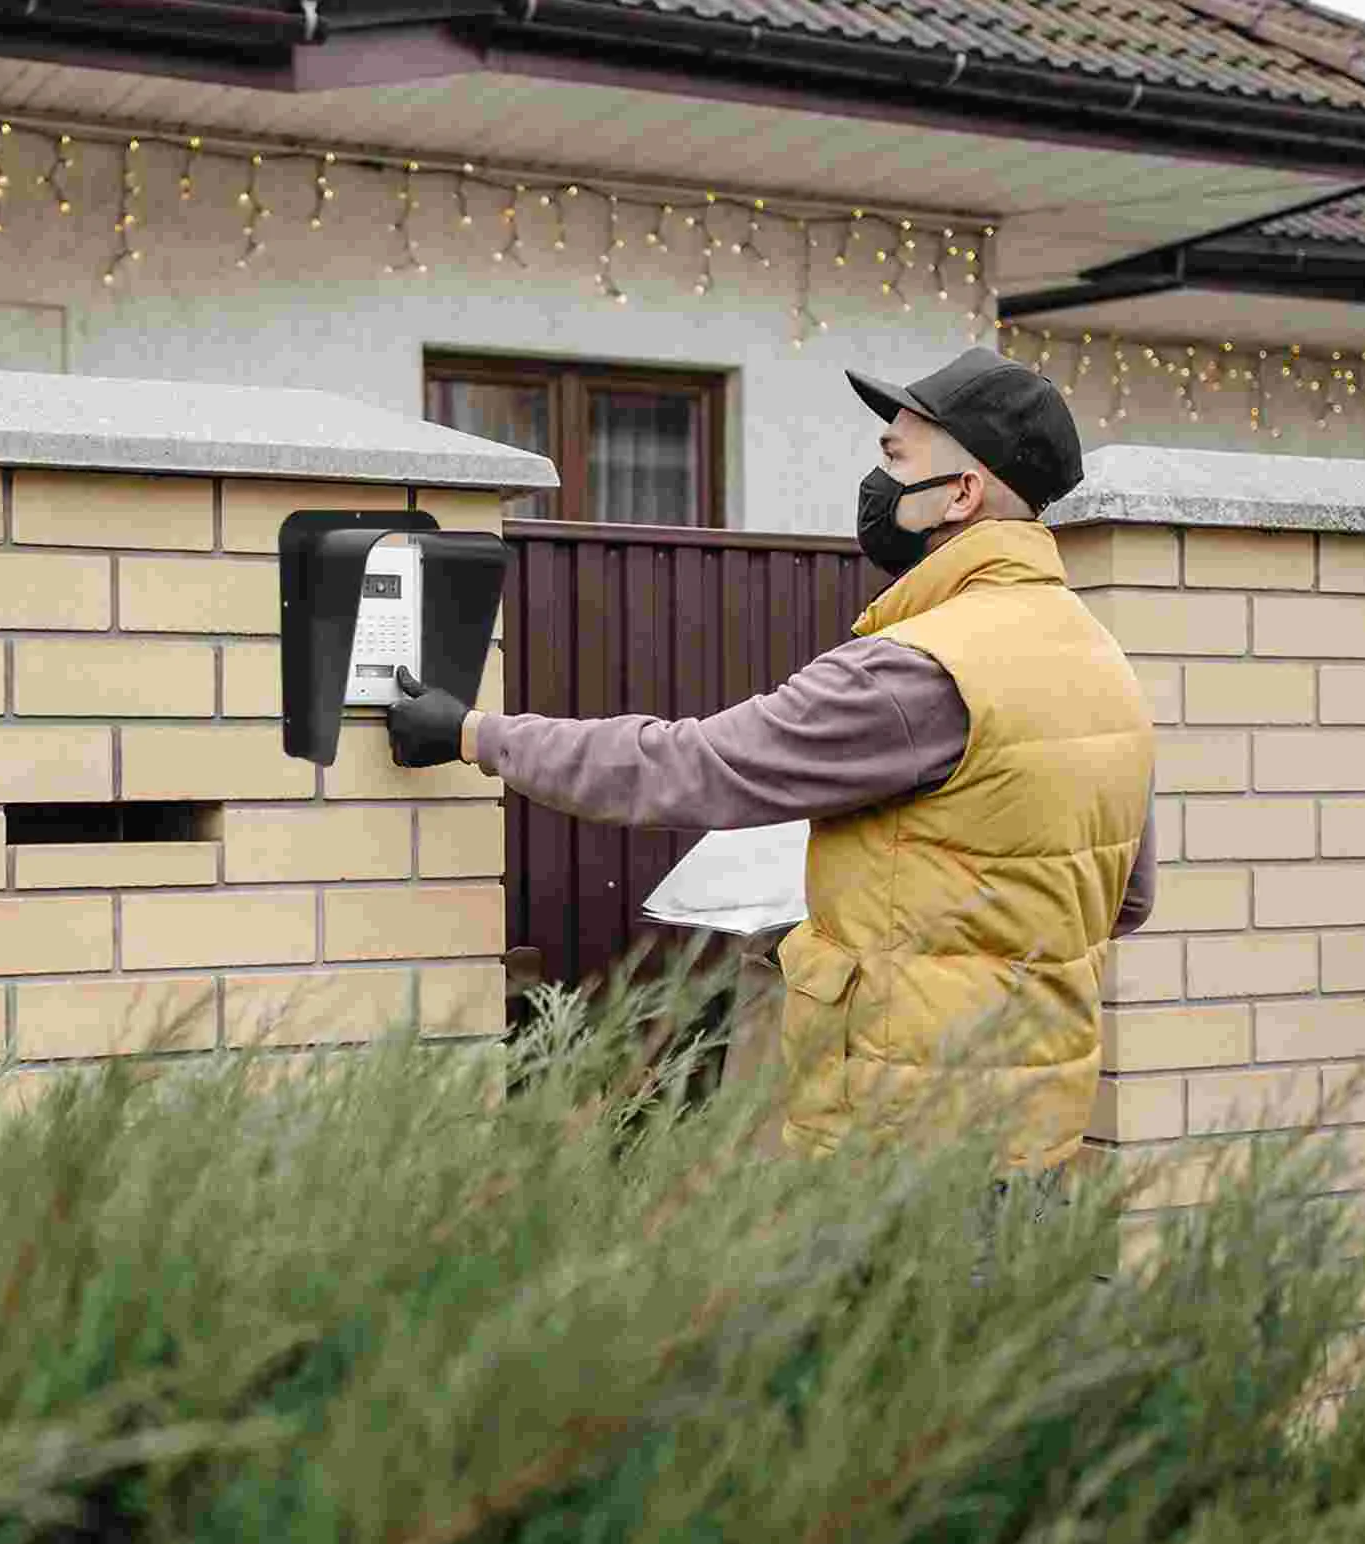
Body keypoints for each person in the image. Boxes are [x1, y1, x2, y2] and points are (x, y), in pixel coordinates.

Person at [386, 346, 1156, 1205]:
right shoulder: (1101, 660)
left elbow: (689, 766)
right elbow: (1123, 899)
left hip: (900, 1144)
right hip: (1035, 1131)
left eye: (895, 459)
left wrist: (472, 732)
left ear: (964, 494)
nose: (876, 479)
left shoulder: (914, 672)